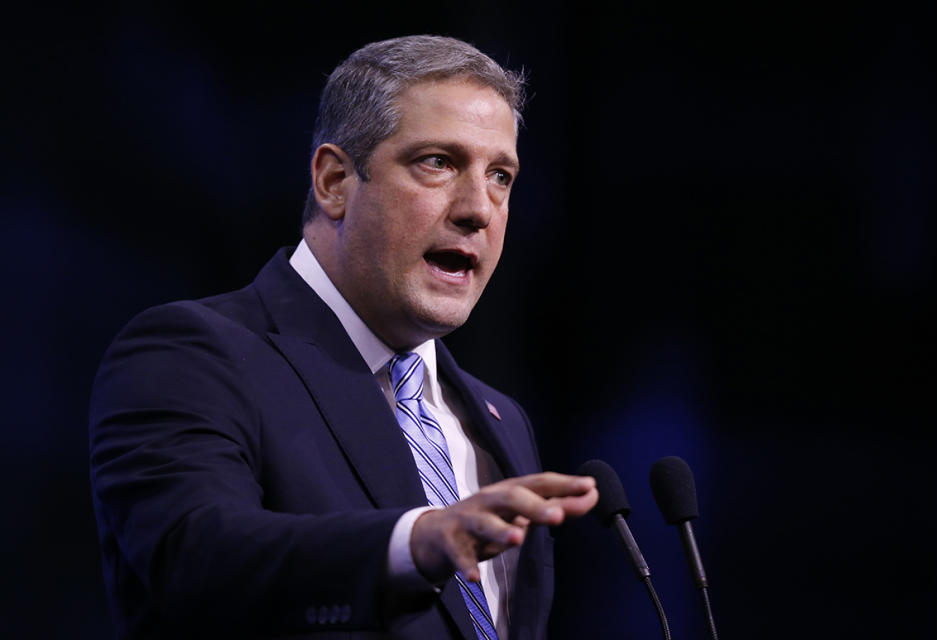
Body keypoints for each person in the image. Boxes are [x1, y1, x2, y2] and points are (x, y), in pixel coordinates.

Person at [89, 35, 598, 640]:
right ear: (334, 181)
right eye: (437, 162)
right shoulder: (194, 354)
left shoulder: (500, 419)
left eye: (500, 175)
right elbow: (198, 558)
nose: (479, 209)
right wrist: (417, 540)